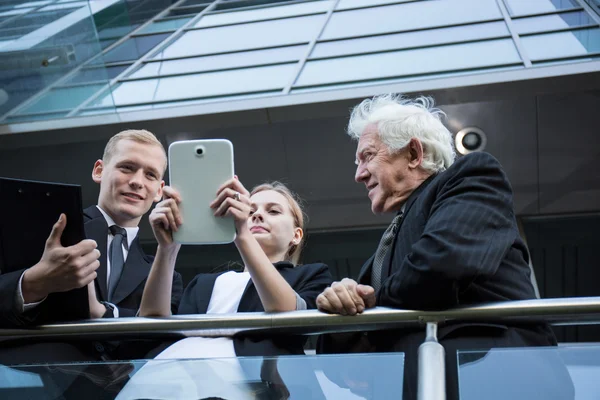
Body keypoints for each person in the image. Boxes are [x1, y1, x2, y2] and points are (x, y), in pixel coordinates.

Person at [315, 94, 573, 400]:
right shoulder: (381, 258)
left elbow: (441, 265)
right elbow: (344, 366)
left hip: (497, 384)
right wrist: (337, 307)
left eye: (368, 156)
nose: (358, 174)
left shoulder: (473, 176)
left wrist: (371, 304)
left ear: (413, 153)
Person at [0, 130, 184, 392]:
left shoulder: (166, 273)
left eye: (150, 174)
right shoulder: (49, 227)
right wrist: (33, 283)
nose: (137, 181)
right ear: (99, 170)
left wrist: (103, 312)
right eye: (127, 168)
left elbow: (161, 341)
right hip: (36, 387)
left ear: (159, 191)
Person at [116, 180, 332, 399]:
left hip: (246, 388)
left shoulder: (311, 274)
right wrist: (168, 247)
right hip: (159, 384)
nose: (256, 216)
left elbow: (288, 315)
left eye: (273, 211)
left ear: (296, 235)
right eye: (250, 211)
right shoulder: (205, 282)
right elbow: (152, 324)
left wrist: (242, 235)